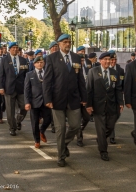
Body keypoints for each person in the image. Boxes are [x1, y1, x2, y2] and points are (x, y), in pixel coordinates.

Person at [43, 34, 87, 167]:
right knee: (60, 128)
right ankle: (61, 156)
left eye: (69, 42)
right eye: (65, 42)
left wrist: (84, 97)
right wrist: (48, 98)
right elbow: (47, 80)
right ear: (59, 44)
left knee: (75, 125)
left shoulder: (76, 57)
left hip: (73, 99)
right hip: (57, 99)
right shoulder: (51, 58)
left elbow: (80, 80)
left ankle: (64, 144)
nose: (67, 44)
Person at [86, 52, 124, 161]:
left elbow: (118, 89)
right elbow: (89, 90)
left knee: (110, 126)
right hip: (98, 105)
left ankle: (101, 139)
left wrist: (121, 103)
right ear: (100, 61)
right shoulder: (92, 72)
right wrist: (89, 105)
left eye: (109, 59)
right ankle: (103, 151)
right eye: (105, 59)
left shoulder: (114, 73)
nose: (108, 61)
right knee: (101, 129)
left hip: (112, 105)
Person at [0, 42, 28, 136]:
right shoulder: (4, 60)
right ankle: (12, 128)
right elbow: (1, 75)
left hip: (21, 88)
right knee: (10, 110)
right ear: (9, 49)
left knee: (24, 107)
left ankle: (18, 120)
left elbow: (27, 75)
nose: (15, 49)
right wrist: (1, 87)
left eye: (17, 48)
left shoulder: (23, 60)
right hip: (9, 88)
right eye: (13, 48)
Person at [24, 56, 52, 148]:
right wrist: (27, 102)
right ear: (34, 64)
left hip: (46, 101)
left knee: (48, 119)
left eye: (41, 62)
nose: (40, 64)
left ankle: (42, 130)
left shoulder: (48, 73)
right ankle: (37, 140)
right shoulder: (29, 75)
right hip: (34, 102)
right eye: (38, 62)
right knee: (35, 122)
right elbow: (27, 90)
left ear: (44, 63)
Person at [108, 51, 125, 144]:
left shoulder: (120, 70)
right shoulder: (104, 69)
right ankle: (111, 136)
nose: (113, 61)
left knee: (115, 116)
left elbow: (122, 84)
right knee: (109, 116)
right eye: (112, 59)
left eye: (115, 59)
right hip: (107, 98)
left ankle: (109, 130)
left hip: (117, 97)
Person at [75, 54, 91, 147]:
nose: (81, 62)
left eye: (82, 60)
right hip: (76, 98)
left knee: (86, 118)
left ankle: (78, 129)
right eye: (80, 60)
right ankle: (79, 138)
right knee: (77, 119)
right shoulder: (74, 70)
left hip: (86, 97)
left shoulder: (88, 69)